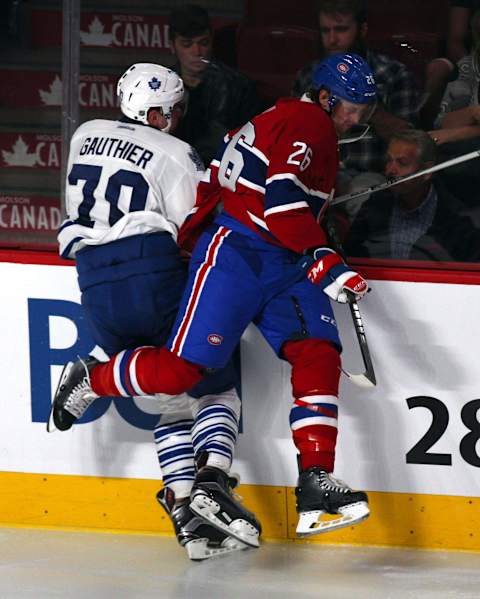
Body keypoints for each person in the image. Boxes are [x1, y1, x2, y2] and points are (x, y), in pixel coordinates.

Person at [50, 53, 377, 537]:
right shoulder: (310, 122)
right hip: (236, 255)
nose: (358, 119)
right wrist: (325, 257)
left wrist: (307, 228)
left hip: (248, 256)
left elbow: (219, 184)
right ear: (327, 97)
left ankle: (313, 478)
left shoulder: (279, 114)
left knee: (318, 352)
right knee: (194, 374)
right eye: (353, 108)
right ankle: (98, 382)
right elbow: (283, 202)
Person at [48, 62, 260, 560]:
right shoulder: (177, 152)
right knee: (212, 380)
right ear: (160, 112)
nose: (179, 117)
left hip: (91, 275)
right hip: (149, 268)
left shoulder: (86, 133)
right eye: (175, 109)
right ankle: (211, 481)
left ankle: (190, 519)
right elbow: (195, 228)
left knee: (169, 397)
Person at [292, 0, 421, 185]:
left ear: (362, 30)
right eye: (325, 31)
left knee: (363, 193)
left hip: (367, 174)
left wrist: (364, 102)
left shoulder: (393, 74)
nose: (332, 40)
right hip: (314, 172)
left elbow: (410, 144)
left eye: (341, 30)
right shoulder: (307, 75)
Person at [344, 129, 480, 261]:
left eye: (402, 163)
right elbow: (352, 254)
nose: (390, 170)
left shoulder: (456, 217)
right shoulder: (377, 203)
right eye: (389, 160)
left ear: (427, 171)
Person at [168, 4, 262, 165]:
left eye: (203, 43)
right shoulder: (162, 86)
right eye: (187, 44)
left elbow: (253, 143)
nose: (197, 52)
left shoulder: (239, 87)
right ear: (172, 46)